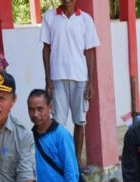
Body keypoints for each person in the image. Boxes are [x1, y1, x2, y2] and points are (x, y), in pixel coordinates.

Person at [40, 0, 100, 167]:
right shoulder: (49, 17)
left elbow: (90, 52)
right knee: (58, 122)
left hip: (80, 77)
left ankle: (76, 160)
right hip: (57, 78)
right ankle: (60, 160)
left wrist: (91, 83)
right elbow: (46, 49)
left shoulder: (86, 19)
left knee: (79, 121)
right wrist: (48, 79)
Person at [27, 89, 79, 182]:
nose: (35, 114)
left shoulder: (61, 134)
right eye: (31, 109)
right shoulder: (30, 136)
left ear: (50, 107)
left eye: (40, 109)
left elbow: (71, 168)